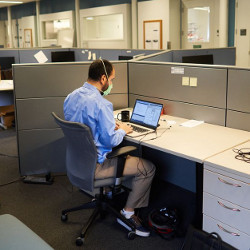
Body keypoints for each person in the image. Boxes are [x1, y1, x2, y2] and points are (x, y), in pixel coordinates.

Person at [64, 59, 156, 237]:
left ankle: (106, 193)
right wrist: (122, 129)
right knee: (148, 168)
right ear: (103, 78)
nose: (111, 84)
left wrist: (107, 124)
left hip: (77, 163)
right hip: (96, 167)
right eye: (112, 79)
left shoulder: (71, 96)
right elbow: (110, 141)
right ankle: (128, 213)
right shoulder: (102, 104)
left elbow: (82, 127)